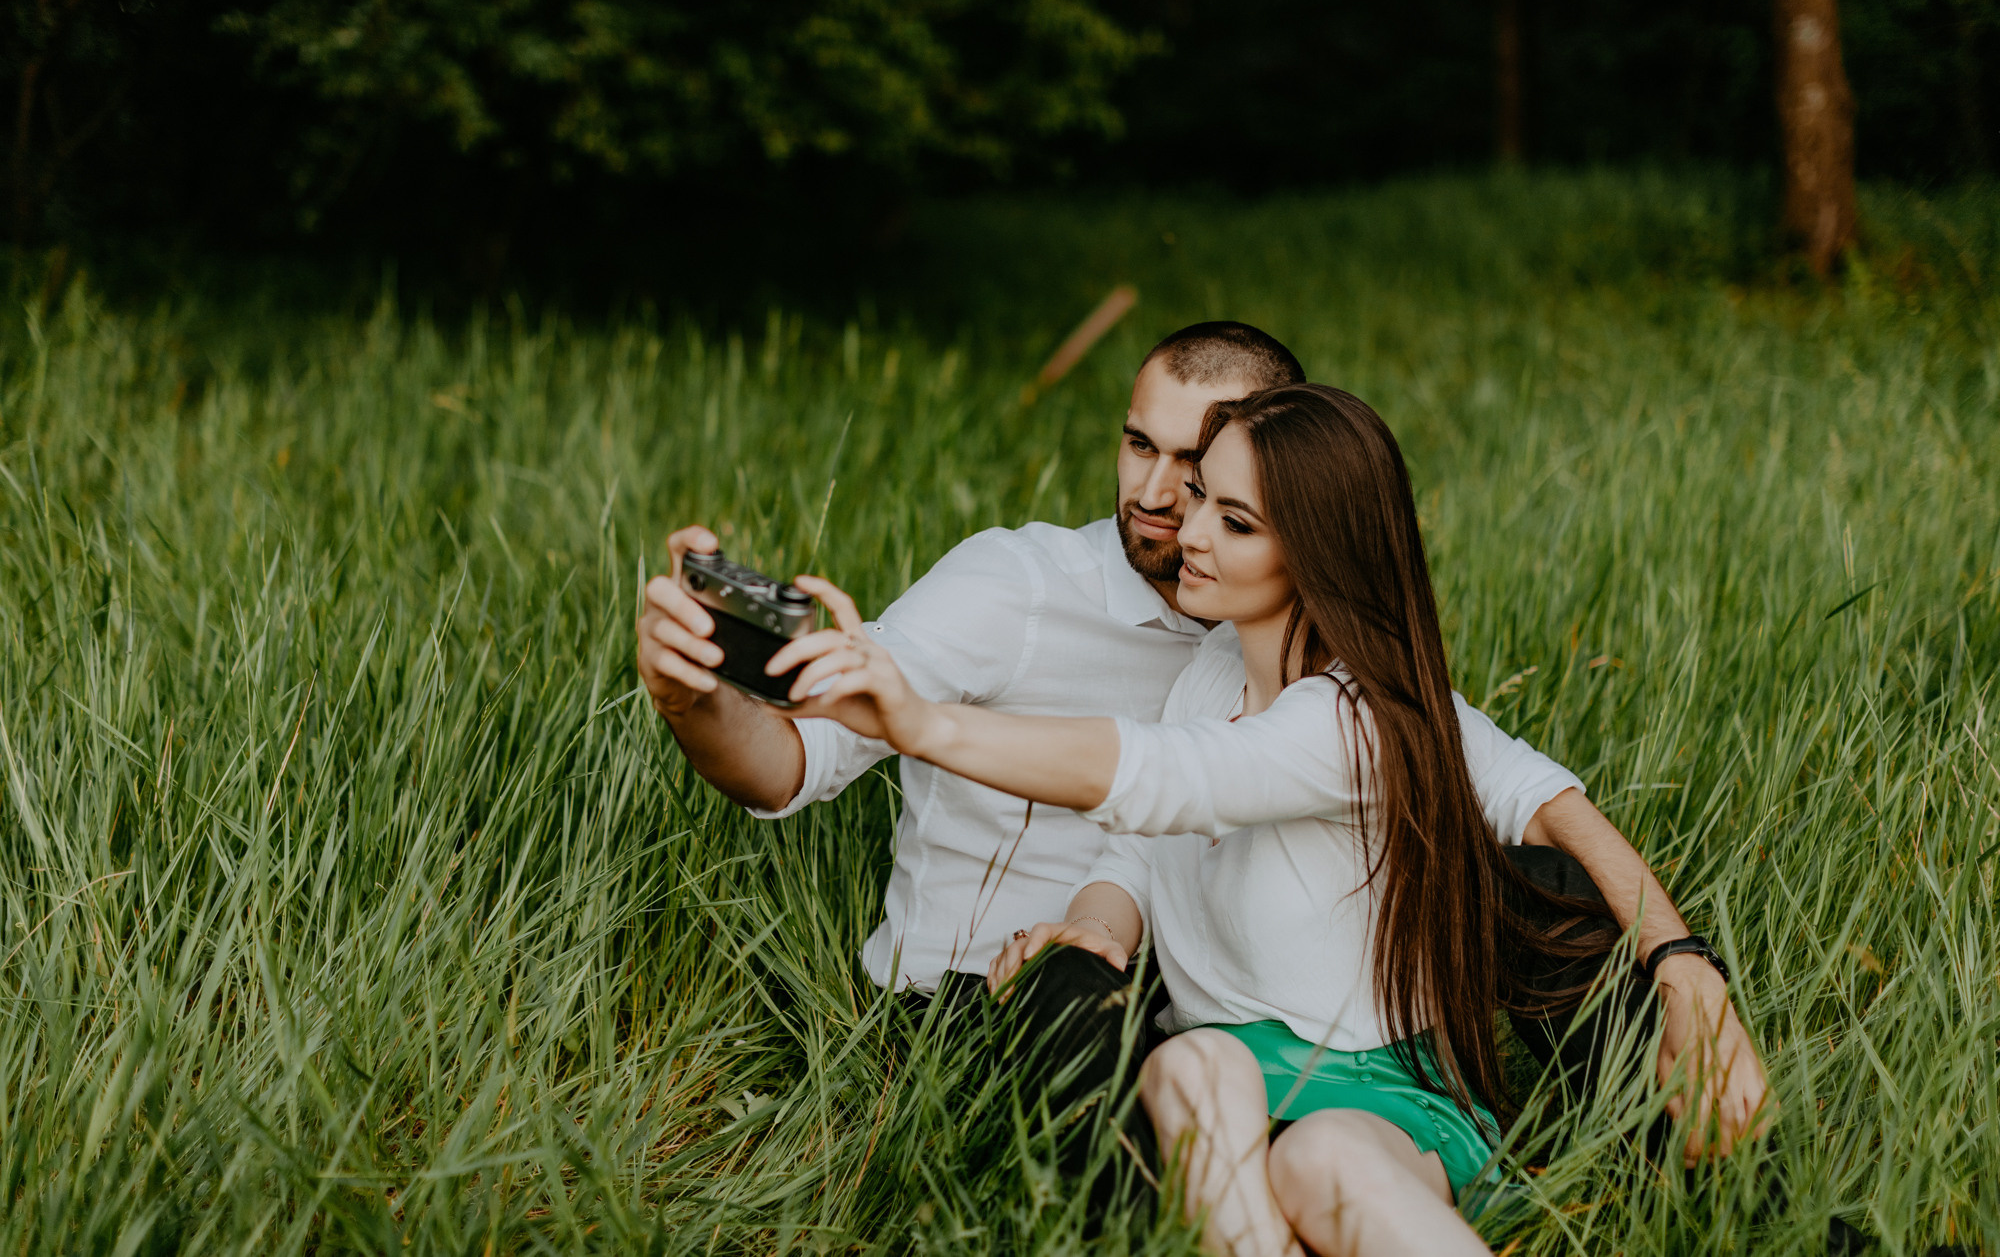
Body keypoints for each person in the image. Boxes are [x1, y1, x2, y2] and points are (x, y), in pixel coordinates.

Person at [634, 324, 1766, 1165]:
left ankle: (1681, 1154)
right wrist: (695, 698)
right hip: (998, 996)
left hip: (1197, 1015)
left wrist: (1681, 961)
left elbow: (1525, 792)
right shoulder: (1017, 585)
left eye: (1202, 476)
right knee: (1079, 1001)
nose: (1155, 494)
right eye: (1137, 444)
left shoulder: (1284, 653)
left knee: (1545, 883)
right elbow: (792, 763)